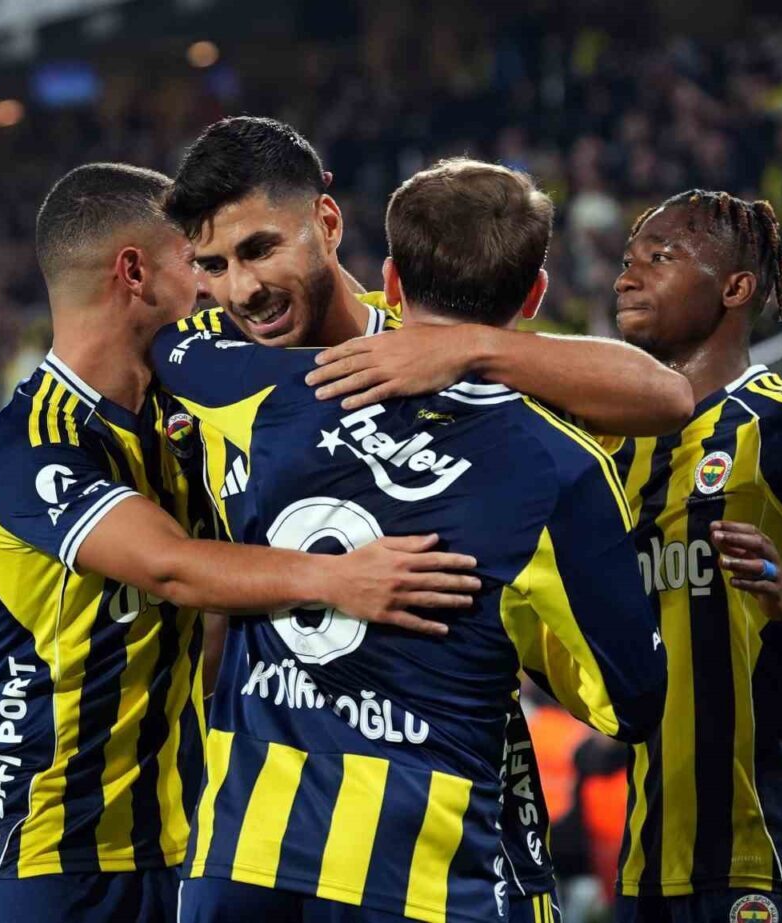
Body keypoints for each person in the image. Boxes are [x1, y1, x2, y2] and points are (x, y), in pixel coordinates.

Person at [313, 189, 782, 922]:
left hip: (776, 839)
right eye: (627, 259)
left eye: (660, 258)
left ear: (735, 287)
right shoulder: (605, 449)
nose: (626, 277)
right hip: (648, 848)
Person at [165, 115, 693, 922]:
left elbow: (664, 394)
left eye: (260, 250)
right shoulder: (547, 460)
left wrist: (469, 350)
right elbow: (628, 696)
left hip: (353, 836)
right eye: (212, 266)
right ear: (533, 296)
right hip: (307, 834)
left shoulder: (233, 381)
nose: (239, 290)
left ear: (334, 228)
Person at [0, 163, 481, 923]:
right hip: (41, 850)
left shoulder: (187, 406)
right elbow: (172, 569)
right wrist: (337, 579)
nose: (216, 286)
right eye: (196, 262)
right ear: (135, 272)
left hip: (176, 839)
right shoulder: (28, 444)